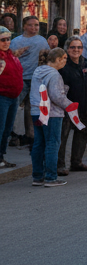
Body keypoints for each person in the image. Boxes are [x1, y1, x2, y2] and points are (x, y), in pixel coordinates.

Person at [29, 48, 76, 187]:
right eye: (64, 58)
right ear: (58, 59)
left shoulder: (38, 71)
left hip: (36, 111)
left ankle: (37, 176)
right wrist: (70, 105)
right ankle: (51, 177)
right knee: (52, 143)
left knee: (39, 143)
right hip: (52, 113)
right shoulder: (54, 74)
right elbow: (56, 96)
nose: (65, 62)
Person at [58, 37, 87, 174]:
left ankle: (77, 162)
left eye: (79, 47)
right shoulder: (63, 66)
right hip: (68, 108)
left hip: (85, 106)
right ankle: (59, 165)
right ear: (67, 49)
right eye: (73, 47)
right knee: (63, 137)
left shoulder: (86, 63)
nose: (76, 50)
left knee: (82, 135)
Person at [11, 17, 48, 147]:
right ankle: (12, 134)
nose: (34, 28)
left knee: (31, 108)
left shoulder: (42, 41)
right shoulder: (16, 41)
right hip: (20, 78)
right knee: (14, 107)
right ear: (24, 26)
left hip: (36, 79)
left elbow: (46, 57)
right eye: (30, 25)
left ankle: (30, 135)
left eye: (36, 25)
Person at [0, 29, 23, 168]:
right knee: (1, 128)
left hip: (13, 98)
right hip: (2, 97)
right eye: (3, 40)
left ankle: (1, 156)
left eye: (8, 39)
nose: (6, 42)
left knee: (7, 129)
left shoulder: (11, 55)